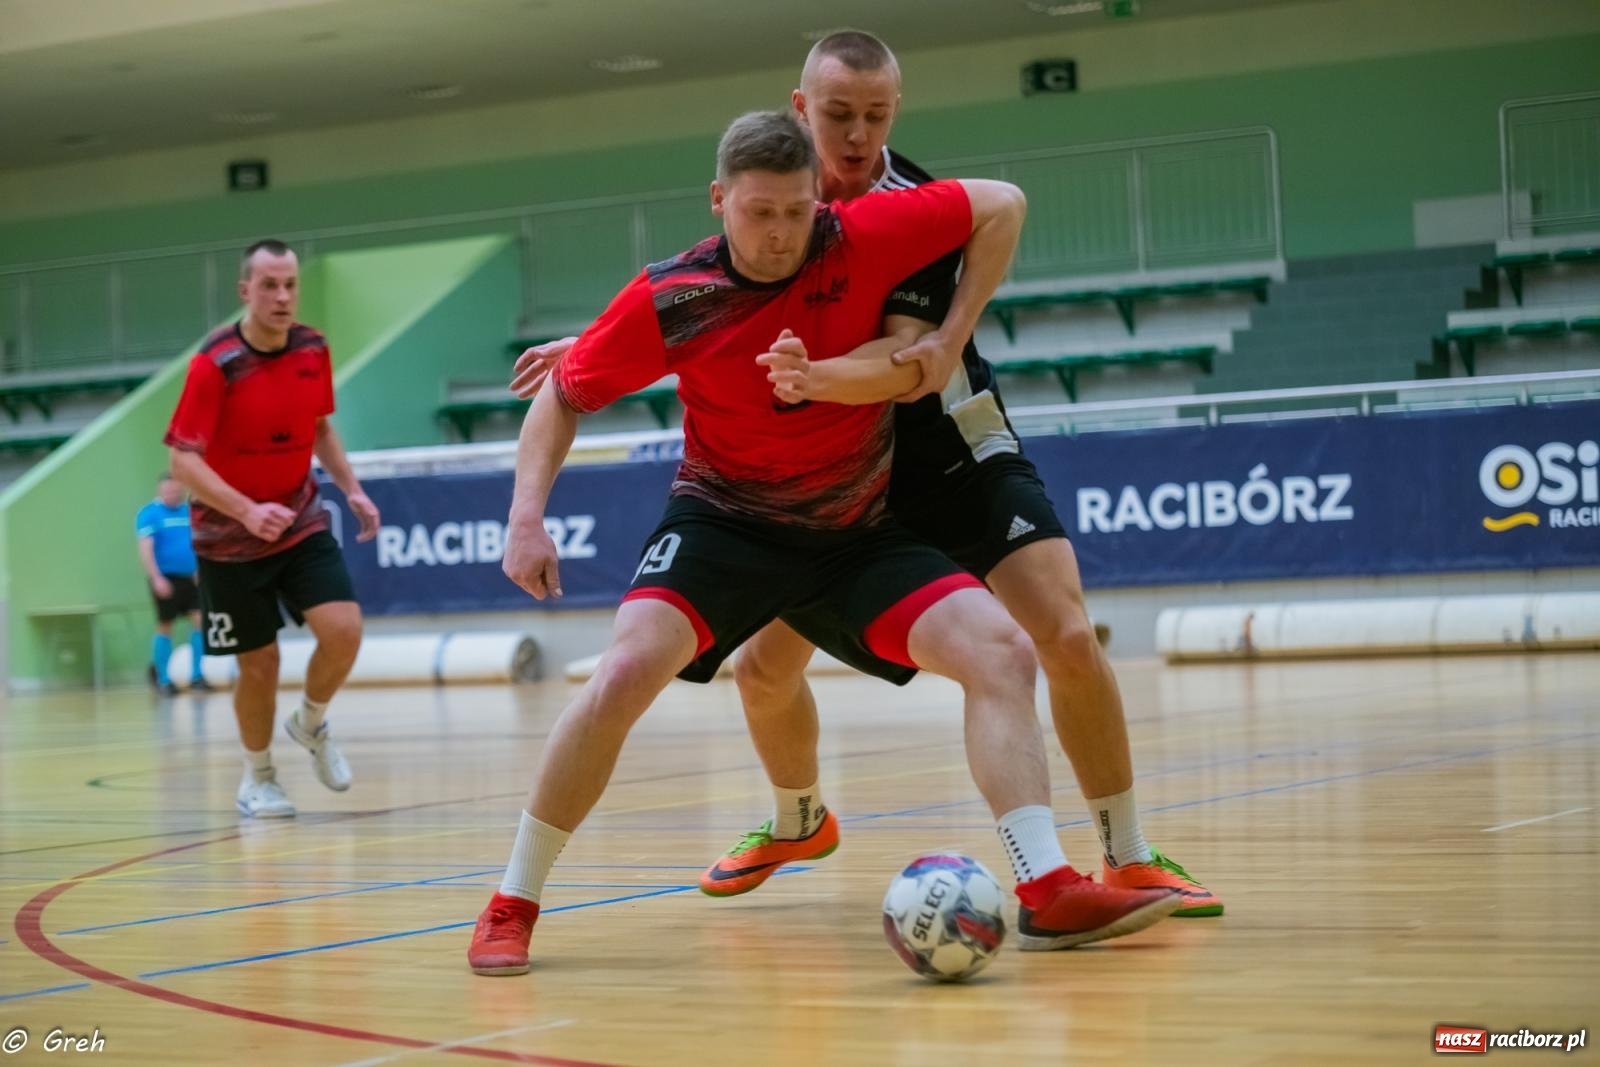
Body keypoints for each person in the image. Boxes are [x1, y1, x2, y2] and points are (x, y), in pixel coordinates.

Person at [511, 32, 1222, 915]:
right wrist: (599, 343)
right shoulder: (775, 196)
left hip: (942, 446)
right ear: (800, 109)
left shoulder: (906, 208)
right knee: (764, 671)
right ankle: (797, 819)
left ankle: (1126, 854)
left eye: (876, 116)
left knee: (1063, 633)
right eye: (839, 114)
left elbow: (904, 358)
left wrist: (948, 336)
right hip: (832, 463)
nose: (857, 135)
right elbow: (707, 291)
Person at [164, 238, 381, 819]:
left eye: (290, 285)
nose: (282, 296)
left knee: (344, 630)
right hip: (228, 540)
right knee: (259, 665)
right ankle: (258, 777)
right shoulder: (214, 364)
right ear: (246, 291)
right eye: (269, 285)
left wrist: (353, 489)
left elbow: (320, 427)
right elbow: (182, 461)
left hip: (298, 518)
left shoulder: (313, 347)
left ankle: (310, 722)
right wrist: (246, 511)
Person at [135, 473, 211, 697]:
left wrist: (199, 569)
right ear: (160, 491)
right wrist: (156, 577)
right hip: (166, 578)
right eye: (168, 491)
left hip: (191, 578)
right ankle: (163, 679)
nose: (173, 494)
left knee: (199, 620)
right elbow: (146, 548)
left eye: (176, 491)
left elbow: (199, 542)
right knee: (165, 624)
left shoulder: (188, 512)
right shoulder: (149, 514)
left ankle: (197, 676)